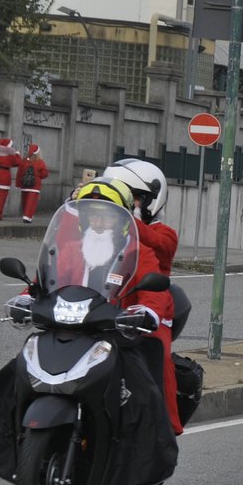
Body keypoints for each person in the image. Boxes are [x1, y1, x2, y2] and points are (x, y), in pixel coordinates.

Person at [66, 178, 183, 434]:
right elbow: (44, 279)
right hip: (80, 323)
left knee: (155, 361)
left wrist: (147, 311)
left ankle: (163, 431)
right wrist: (25, 297)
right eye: (92, 216)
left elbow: (157, 286)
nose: (98, 222)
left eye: (106, 216)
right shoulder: (72, 248)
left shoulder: (138, 249)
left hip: (128, 321)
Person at [102, 156, 190, 341]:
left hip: (148, 311)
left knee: (157, 355)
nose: (123, 201)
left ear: (150, 199)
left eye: (131, 197)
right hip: (103, 309)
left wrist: (122, 216)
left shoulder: (165, 233)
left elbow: (154, 243)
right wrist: (79, 206)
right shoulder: (104, 229)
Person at [17, 143, 50, 223]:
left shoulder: (24, 161)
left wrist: (18, 184)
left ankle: (25, 214)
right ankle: (27, 216)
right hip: (35, 186)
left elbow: (19, 173)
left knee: (25, 201)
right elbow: (45, 174)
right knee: (31, 202)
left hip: (24, 186)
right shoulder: (40, 162)